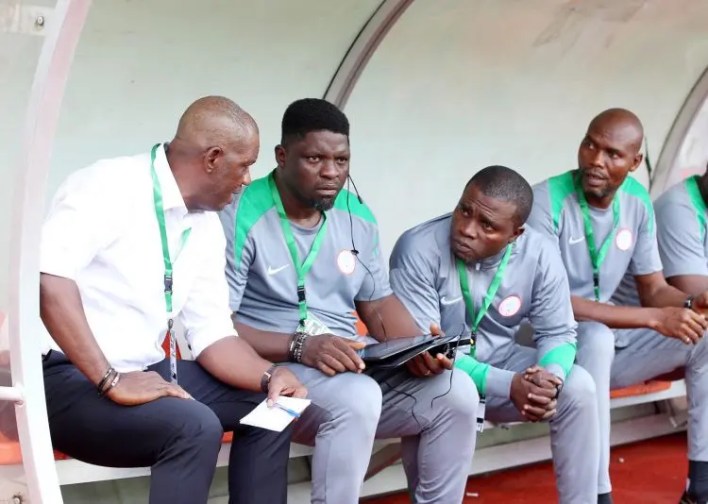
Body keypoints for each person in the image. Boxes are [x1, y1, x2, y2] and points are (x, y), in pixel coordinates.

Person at [40, 96, 306, 504]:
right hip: (69, 379)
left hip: (145, 370)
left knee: (273, 407)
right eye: (245, 164)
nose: (249, 179)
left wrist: (270, 375)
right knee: (194, 425)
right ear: (213, 158)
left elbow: (213, 334)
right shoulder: (108, 186)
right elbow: (50, 282)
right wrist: (110, 378)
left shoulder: (204, 225)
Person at [219, 98, 478, 504]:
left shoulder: (357, 214)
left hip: (349, 365)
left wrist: (418, 348)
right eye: (315, 158)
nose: (331, 173)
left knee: (456, 390)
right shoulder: (239, 214)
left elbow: (376, 305)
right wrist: (301, 346)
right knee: (358, 397)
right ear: (282, 157)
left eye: (341, 160)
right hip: (271, 374)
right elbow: (217, 326)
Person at [526, 108, 708, 504]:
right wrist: (654, 317)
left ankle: (702, 485)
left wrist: (692, 302)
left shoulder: (636, 201)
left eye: (612, 153)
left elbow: (654, 290)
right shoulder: (545, 201)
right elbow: (552, 306)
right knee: (594, 337)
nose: (595, 160)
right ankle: (599, 493)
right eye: (590, 144)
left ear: (635, 162)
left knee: (704, 334)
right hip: (539, 346)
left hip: (609, 342)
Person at [389, 165, 599, 504]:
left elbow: (559, 331)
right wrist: (510, 386)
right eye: (464, 210)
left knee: (579, 386)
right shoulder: (418, 246)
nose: (467, 229)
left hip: (502, 361)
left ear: (516, 235)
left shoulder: (540, 252)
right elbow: (426, 351)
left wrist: (549, 380)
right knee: (448, 392)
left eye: (487, 225)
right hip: (437, 377)